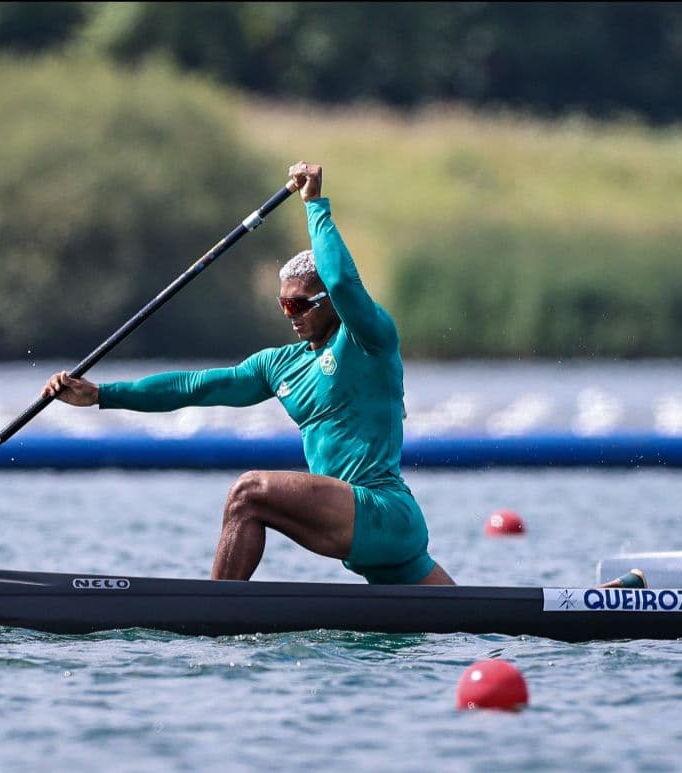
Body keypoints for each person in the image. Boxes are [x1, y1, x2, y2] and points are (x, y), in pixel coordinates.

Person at [43, 161, 455, 586]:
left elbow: (345, 282)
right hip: (368, 538)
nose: (290, 315)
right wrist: (102, 395)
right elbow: (194, 388)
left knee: (248, 493)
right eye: (283, 305)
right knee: (466, 623)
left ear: (329, 301)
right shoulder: (279, 365)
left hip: (381, 511)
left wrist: (314, 205)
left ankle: (212, 612)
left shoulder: (369, 339)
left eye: (300, 304)